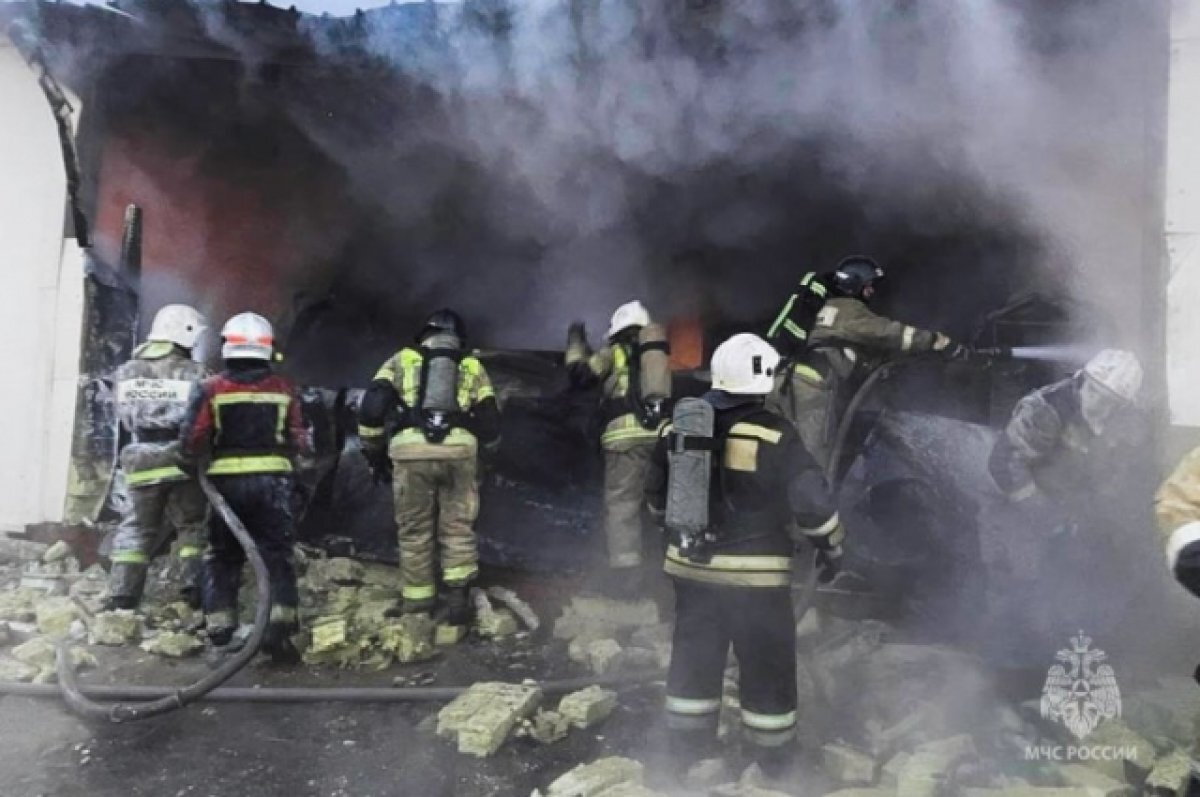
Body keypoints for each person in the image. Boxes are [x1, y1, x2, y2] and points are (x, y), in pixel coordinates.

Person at [645, 333, 842, 773]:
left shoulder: (679, 426)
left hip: (690, 570)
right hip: (756, 579)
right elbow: (812, 502)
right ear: (762, 378)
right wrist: (831, 547)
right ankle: (773, 762)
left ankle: (685, 756)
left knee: (695, 656)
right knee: (766, 662)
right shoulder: (774, 433)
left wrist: (675, 529)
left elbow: (655, 495)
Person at [180, 312, 312, 663]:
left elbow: (192, 438)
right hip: (274, 485)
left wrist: (194, 461)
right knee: (277, 556)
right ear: (267, 349)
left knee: (223, 557)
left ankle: (222, 634)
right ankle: (278, 634)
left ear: (227, 347)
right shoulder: (284, 389)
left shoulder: (210, 389)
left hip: (227, 487)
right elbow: (301, 439)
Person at [357, 309, 500, 627]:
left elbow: (371, 409)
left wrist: (374, 452)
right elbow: (490, 420)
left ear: (425, 334)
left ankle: (418, 604)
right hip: (459, 451)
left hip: (411, 453)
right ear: (459, 338)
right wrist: (486, 457)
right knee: (458, 527)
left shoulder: (400, 360)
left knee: (414, 531)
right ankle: (458, 602)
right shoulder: (472, 365)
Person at [766, 256, 965, 474]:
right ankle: (813, 507)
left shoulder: (821, 309)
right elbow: (890, 333)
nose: (871, 292)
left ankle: (769, 503)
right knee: (813, 461)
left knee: (778, 450)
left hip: (781, 381)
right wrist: (938, 342)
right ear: (853, 285)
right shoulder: (848, 309)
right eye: (869, 286)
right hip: (810, 391)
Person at [107, 304, 210, 611]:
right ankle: (193, 587)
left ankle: (122, 593)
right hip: (181, 457)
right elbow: (204, 420)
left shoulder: (126, 371)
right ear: (187, 333)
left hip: (138, 457)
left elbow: (123, 420)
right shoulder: (196, 373)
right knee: (192, 525)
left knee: (136, 526)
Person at [565, 300, 671, 588]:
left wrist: (575, 344)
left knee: (622, 505)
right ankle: (665, 569)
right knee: (658, 504)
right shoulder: (656, 356)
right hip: (660, 437)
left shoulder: (615, 352)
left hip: (624, 439)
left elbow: (582, 377)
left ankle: (627, 579)